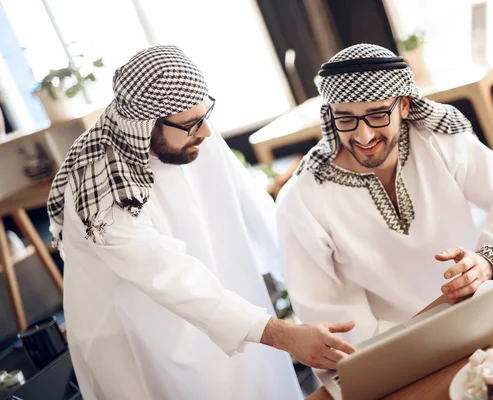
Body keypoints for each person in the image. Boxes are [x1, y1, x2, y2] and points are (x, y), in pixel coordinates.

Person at [47, 45, 355, 400]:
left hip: (227, 305)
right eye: (194, 123)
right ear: (146, 123)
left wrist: (329, 278)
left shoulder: (190, 130)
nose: (207, 131)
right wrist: (282, 334)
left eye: (205, 114)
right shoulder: (102, 188)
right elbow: (170, 278)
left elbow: (257, 214)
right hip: (139, 331)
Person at [276, 44, 493, 344]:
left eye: (377, 115)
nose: (363, 136)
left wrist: (487, 260)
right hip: (397, 348)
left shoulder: (439, 142)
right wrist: (407, 348)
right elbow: (327, 315)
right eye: (346, 119)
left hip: (487, 308)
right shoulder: (301, 200)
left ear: (404, 105)